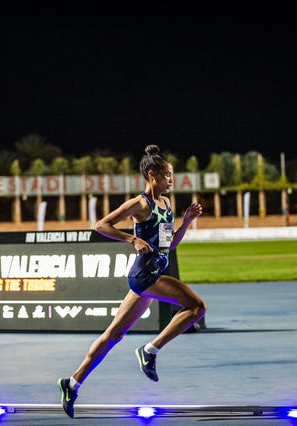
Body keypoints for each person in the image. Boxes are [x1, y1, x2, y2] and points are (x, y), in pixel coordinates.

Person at [57, 145, 206, 418]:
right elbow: (101, 225)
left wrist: (186, 222)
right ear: (152, 175)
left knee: (114, 334)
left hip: (151, 276)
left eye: (172, 175)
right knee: (196, 307)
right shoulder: (139, 204)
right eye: (168, 175)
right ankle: (150, 350)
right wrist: (132, 239)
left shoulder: (166, 204)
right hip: (144, 276)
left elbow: (170, 246)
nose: (172, 180)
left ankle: (72, 382)